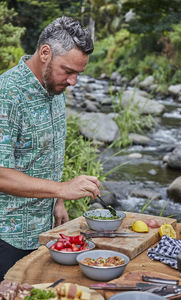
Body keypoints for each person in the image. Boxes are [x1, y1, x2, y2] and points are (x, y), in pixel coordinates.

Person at [0, 16, 100, 281]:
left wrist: (57, 201)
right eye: (68, 71)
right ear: (45, 53)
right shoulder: (6, 95)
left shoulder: (55, 87)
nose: (73, 81)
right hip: (7, 237)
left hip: (45, 230)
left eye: (78, 73)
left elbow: (46, 153)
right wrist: (63, 188)